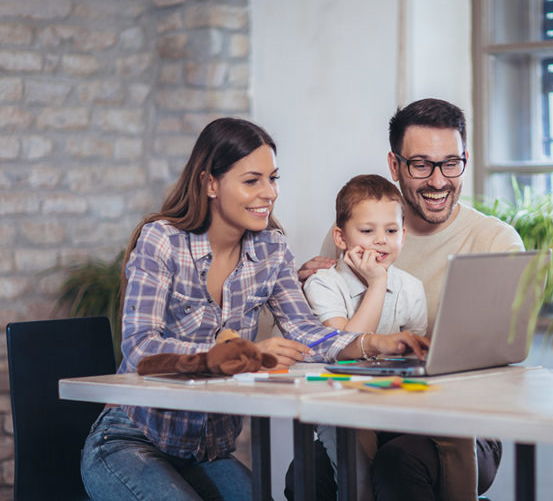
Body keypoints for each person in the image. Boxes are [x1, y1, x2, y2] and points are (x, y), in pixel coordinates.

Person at [80, 117, 428, 501]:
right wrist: (244, 354)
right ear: (210, 183)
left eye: (273, 179)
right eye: (252, 181)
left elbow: (308, 333)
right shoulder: (162, 241)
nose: (269, 193)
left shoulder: (270, 248)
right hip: (131, 440)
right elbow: (141, 348)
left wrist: (377, 344)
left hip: (206, 453)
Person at [298, 99, 524, 501]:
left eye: (450, 163)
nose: (438, 180)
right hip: (366, 407)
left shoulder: (494, 241)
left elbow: (506, 352)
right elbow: (323, 340)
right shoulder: (355, 235)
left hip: (461, 422)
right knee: (303, 477)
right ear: (395, 165)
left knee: (397, 464)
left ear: (465, 160)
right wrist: (300, 292)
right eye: (421, 164)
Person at [305, 174, 427, 501]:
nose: (381, 241)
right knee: (357, 481)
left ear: (403, 234)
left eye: (391, 231)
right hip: (338, 404)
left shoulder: (411, 288)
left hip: (393, 401)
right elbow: (344, 346)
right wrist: (376, 284)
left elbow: (414, 356)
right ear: (341, 237)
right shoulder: (323, 284)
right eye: (367, 231)